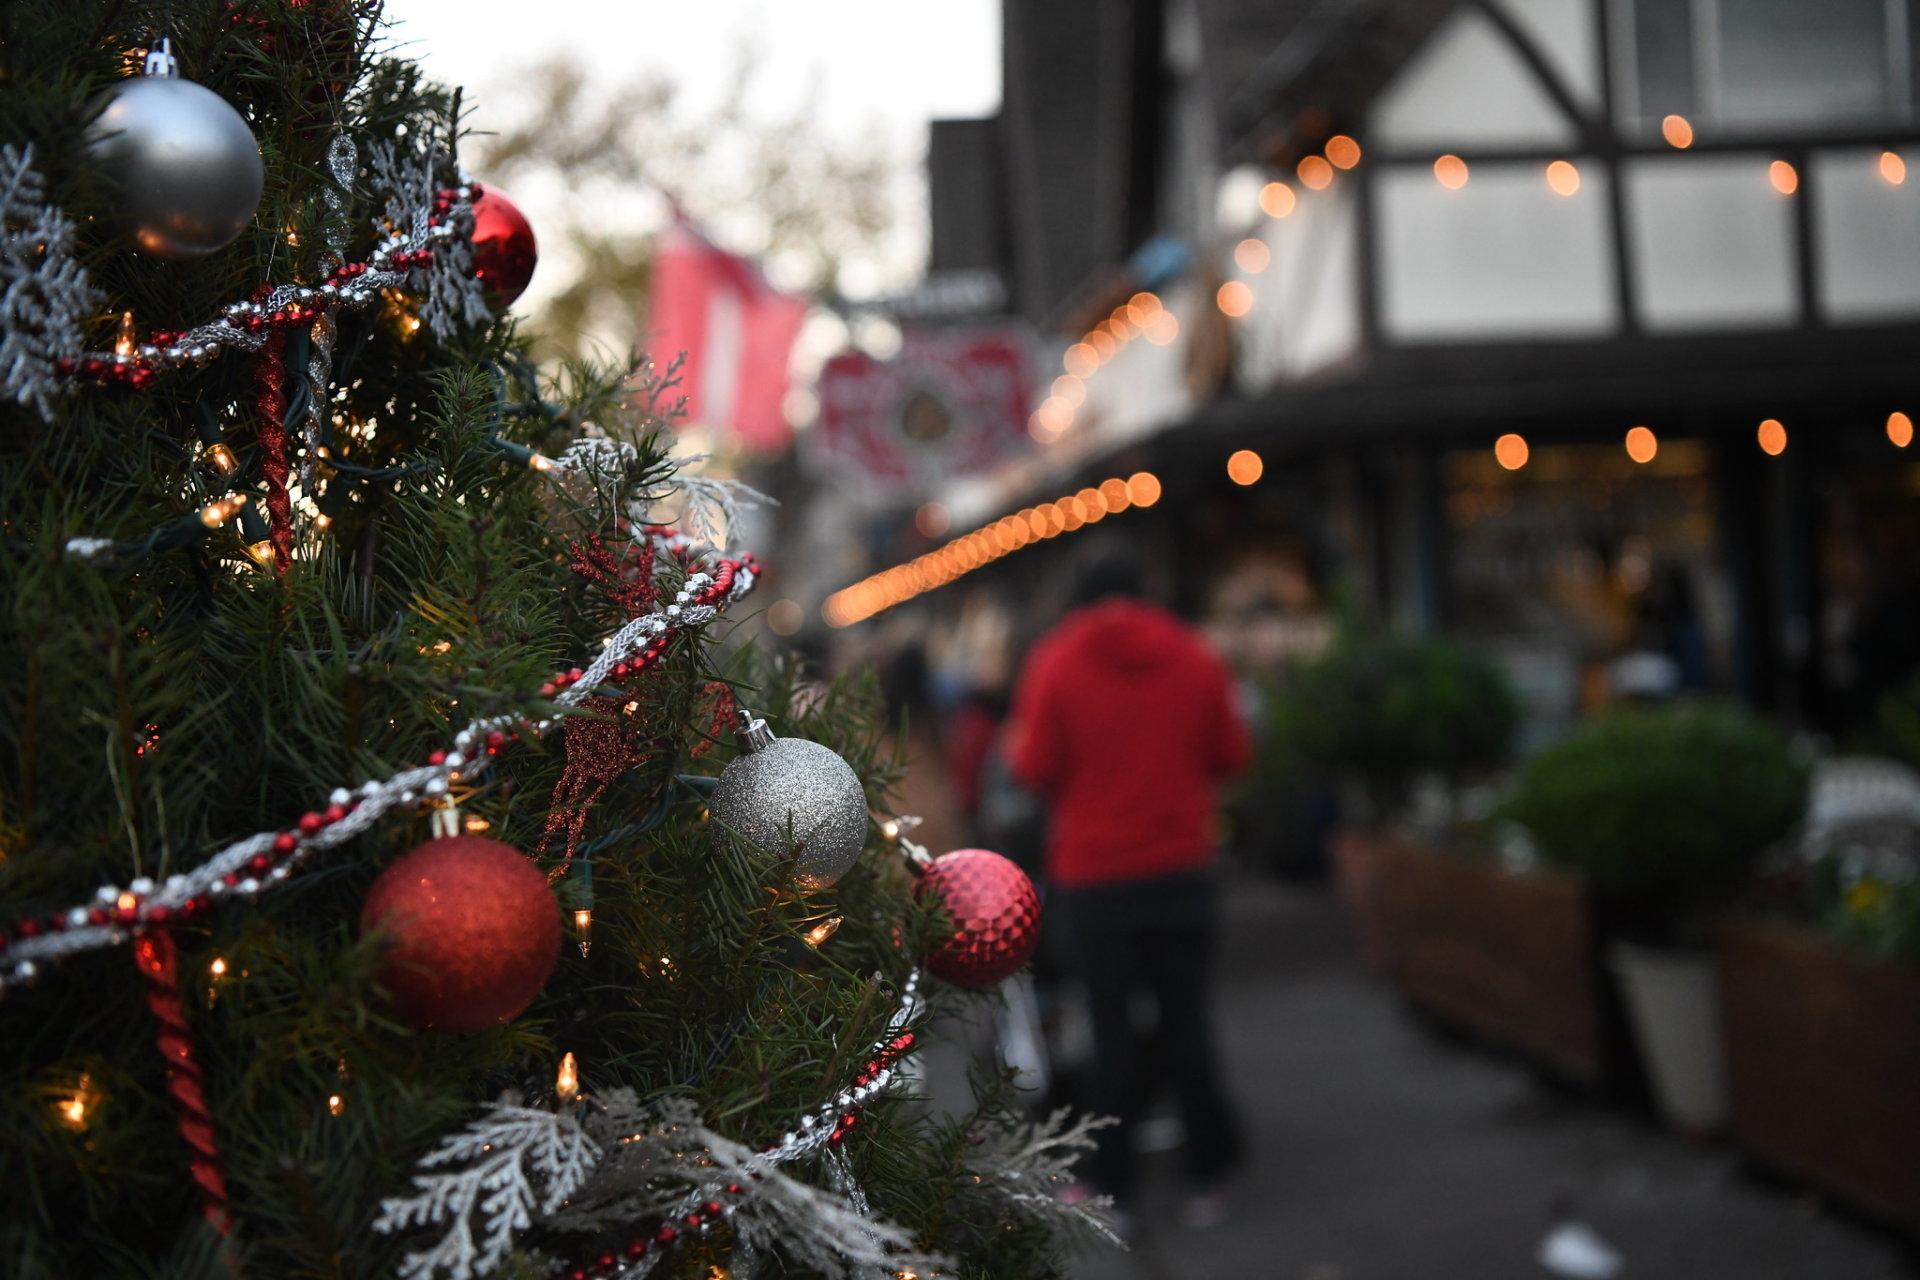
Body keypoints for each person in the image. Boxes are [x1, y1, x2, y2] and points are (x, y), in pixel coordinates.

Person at [1007, 550, 1250, 1226]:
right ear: (1145, 594)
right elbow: (1230, 755)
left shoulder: (1055, 661)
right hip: (1183, 871)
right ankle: (1210, 1176)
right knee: (1188, 1024)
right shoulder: (1194, 655)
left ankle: (1114, 1183)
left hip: (1095, 879)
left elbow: (1033, 765)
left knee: (1109, 1034)